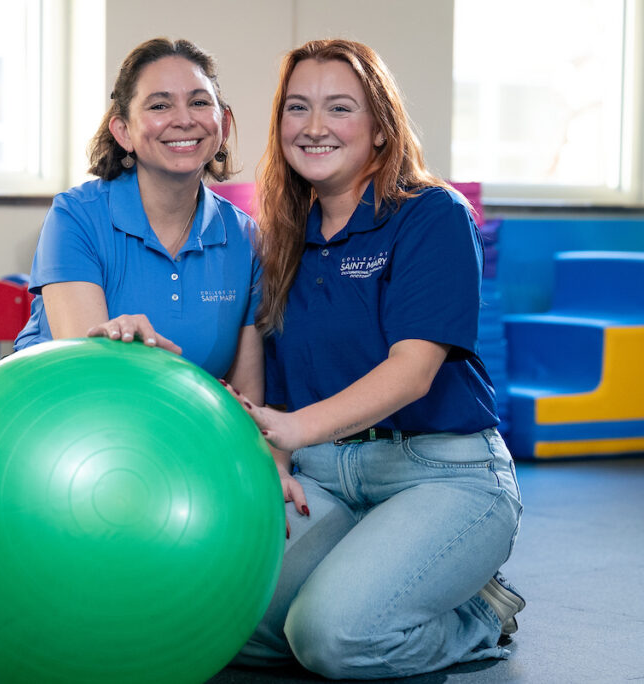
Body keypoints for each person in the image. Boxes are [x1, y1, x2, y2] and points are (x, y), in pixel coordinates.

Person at [225, 39, 524, 680]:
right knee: (223, 618)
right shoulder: (280, 236)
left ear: (381, 128)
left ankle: (474, 614)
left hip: (439, 471)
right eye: (297, 108)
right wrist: (278, 455)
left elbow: (413, 370)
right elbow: (270, 372)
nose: (314, 127)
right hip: (326, 478)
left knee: (330, 640)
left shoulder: (431, 214)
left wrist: (295, 428)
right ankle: (376, 586)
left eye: (340, 108)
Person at [14, 37, 262, 399]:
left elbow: (247, 400)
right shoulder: (76, 216)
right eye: (160, 105)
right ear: (123, 132)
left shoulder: (245, 237)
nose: (183, 119)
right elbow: (88, 375)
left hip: (179, 435)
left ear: (222, 124)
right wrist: (119, 345)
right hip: (61, 425)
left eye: (199, 102)